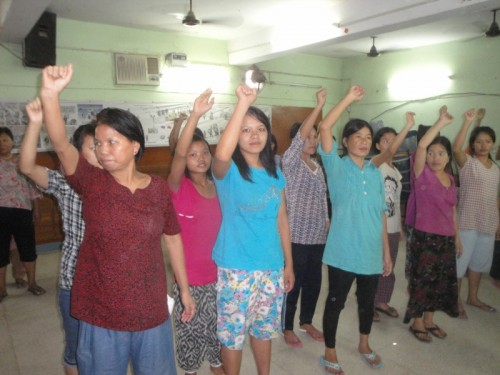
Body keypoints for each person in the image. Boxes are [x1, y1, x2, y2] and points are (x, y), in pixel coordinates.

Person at [39, 64, 195, 375]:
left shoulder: (158, 188)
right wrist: (50, 95)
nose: (102, 150)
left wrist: (185, 288)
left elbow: (173, 236)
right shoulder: (93, 182)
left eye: (113, 141)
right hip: (102, 311)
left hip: (150, 309)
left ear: (135, 145)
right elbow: (60, 144)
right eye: (98, 143)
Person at [212, 83, 294, 375]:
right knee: (232, 333)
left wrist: (288, 264)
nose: (254, 135)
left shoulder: (275, 172)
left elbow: (282, 219)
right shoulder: (228, 171)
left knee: (264, 329)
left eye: (260, 128)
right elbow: (222, 154)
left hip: (271, 266)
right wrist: (242, 105)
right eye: (246, 129)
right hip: (236, 267)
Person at [19, 97, 101, 375]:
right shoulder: (66, 183)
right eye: (94, 146)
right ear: (78, 152)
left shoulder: (119, 182)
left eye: (105, 144)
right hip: (74, 283)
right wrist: (35, 123)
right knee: (76, 348)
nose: (102, 152)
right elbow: (28, 166)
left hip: (108, 284)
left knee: (104, 348)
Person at [318, 85, 391, 374]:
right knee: (336, 302)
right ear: (346, 141)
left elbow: (380, 215)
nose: (363, 141)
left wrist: (386, 253)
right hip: (342, 252)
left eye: (368, 137)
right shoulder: (335, 166)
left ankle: (364, 344)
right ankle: (330, 350)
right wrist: (348, 98)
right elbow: (324, 126)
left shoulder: (375, 173)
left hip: (371, 251)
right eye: (357, 136)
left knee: (366, 302)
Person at [167, 89, 224, 375]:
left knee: (218, 343)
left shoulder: (219, 186)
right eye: (193, 154)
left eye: (205, 152)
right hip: (189, 282)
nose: (200, 158)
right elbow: (177, 152)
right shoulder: (178, 187)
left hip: (221, 278)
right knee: (190, 344)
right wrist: (195, 115)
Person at [404, 108, 461, 342]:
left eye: (441, 153)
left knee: (438, 282)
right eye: (432, 153)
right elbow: (421, 146)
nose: (435, 158)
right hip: (424, 237)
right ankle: (417, 322)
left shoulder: (451, 179)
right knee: (422, 281)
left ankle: (429, 320)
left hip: (445, 238)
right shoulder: (421, 174)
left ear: (448, 157)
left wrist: (456, 237)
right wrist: (440, 122)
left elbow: (452, 210)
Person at [281, 88, 328, 348]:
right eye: (308, 137)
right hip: (296, 235)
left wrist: (327, 219)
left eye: (315, 137)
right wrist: (318, 107)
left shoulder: (317, 165)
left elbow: (323, 197)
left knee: (314, 282)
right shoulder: (291, 161)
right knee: (294, 284)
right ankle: (287, 326)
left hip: (317, 236)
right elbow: (299, 139)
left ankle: (306, 320)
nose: (312, 140)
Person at [452, 108, 499, 318]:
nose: (483, 145)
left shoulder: (496, 169)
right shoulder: (468, 164)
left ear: (493, 144)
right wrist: (468, 122)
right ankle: (456, 300)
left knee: (478, 264)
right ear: (473, 144)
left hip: (488, 222)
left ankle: (473, 297)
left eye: (487, 141)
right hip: (467, 222)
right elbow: (455, 149)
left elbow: (494, 196)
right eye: (479, 141)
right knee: (461, 263)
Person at [370, 113, 415, 322]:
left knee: (389, 266)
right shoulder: (376, 165)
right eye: (386, 140)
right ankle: (368, 302)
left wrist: (401, 228)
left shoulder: (395, 170)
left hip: (394, 226)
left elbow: (396, 202)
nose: (390, 144)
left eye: (393, 139)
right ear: (378, 146)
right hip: (378, 226)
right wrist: (408, 125)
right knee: (374, 266)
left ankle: (381, 300)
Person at [0, 126, 44, 303]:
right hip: (0, 212)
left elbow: (32, 186)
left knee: (27, 248)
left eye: (4, 140)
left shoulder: (22, 162)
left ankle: (32, 283)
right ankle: (2, 290)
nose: (1, 144)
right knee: (1, 252)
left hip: (22, 211)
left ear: (12, 142)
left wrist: (37, 208)